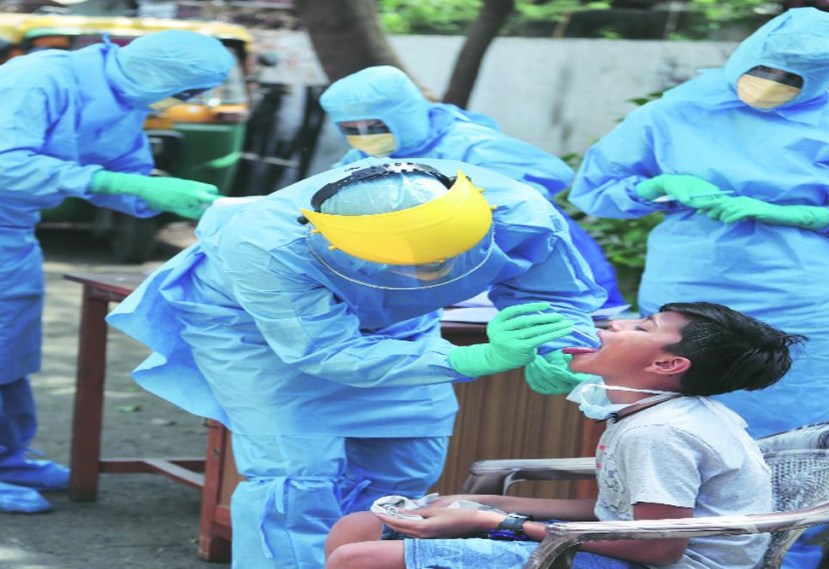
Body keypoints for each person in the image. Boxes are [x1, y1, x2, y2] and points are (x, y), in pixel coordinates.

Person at [566, 9, 829, 566]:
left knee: (807, 432)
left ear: (824, 77)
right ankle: (654, 538)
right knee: (669, 424)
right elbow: (597, 189)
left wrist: (806, 215)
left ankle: (788, 550)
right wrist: (658, 186)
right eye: (764, 69)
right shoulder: (675, 113)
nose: (771, 84)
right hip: (692, 295)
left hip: (811, 302)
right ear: (744, 56)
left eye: (792, 77)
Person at [105, 157, 608, 569]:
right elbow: (323, 350)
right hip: (259, 329)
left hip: (400, 322)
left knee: (407, 469)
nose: (432, 273)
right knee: (296, 480)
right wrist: (473, 357)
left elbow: (558, 295)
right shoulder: (268, 246)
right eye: (413, 263)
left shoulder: (519, 211)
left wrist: (560, 349)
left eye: (446, 258)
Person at [0, 31, 234, 514]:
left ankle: (1, 457)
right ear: (162, 75)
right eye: (189, 92)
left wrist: (166, 194)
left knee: (9, 340)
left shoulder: (123, 97)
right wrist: (114, 182)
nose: (188, 101)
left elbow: (124, 171)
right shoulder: (36, 80)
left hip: (4, 223)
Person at [325, 301, 804, 569]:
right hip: (629, 546)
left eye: (642, 327)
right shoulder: (646, 414)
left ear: (666, 364)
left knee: (359, 559)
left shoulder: (658, 433)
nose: (614, 324)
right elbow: (618, 515)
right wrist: (481, 503)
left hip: (652, 564)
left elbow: (657, 547)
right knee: (357, 527)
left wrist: (496, 522)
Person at [318, 65, 627, 315]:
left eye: (373, 126)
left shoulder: (470, 144)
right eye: (349, 129)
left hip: (535, 264)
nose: (363, 136)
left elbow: (533, 194)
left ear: (403, 114)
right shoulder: (363, 158)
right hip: (448, 278)